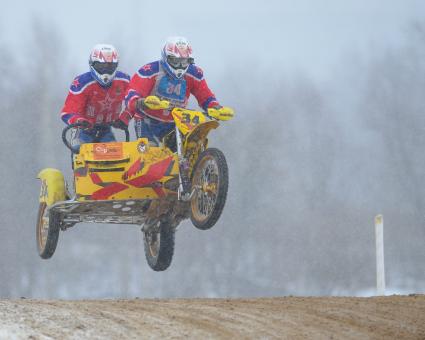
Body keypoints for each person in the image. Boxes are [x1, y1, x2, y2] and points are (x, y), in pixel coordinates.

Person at [117, 36, 233, 145]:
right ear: (165, 57)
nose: (180, 66)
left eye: (184, 61)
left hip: (177, 121)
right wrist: (139, 102)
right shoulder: (149, 70)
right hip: (147, 120)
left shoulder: (194, 73)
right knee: (151, 156)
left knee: (188, 148)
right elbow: (132, 91)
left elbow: (205, 96)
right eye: (175, 61)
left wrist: (215, 107)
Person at [60, 44, 130, 152]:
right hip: (82, 130)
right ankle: (79, 167)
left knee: (115, 158)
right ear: (92, 64)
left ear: (116, 66)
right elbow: (67, 111)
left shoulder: (124, 81)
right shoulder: (81, 83)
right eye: (101, 66)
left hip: (105, 129)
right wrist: (79, 121)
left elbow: (135, 99)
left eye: (110, 66)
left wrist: (125, 117)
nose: (106, 70)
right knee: (81, 157)